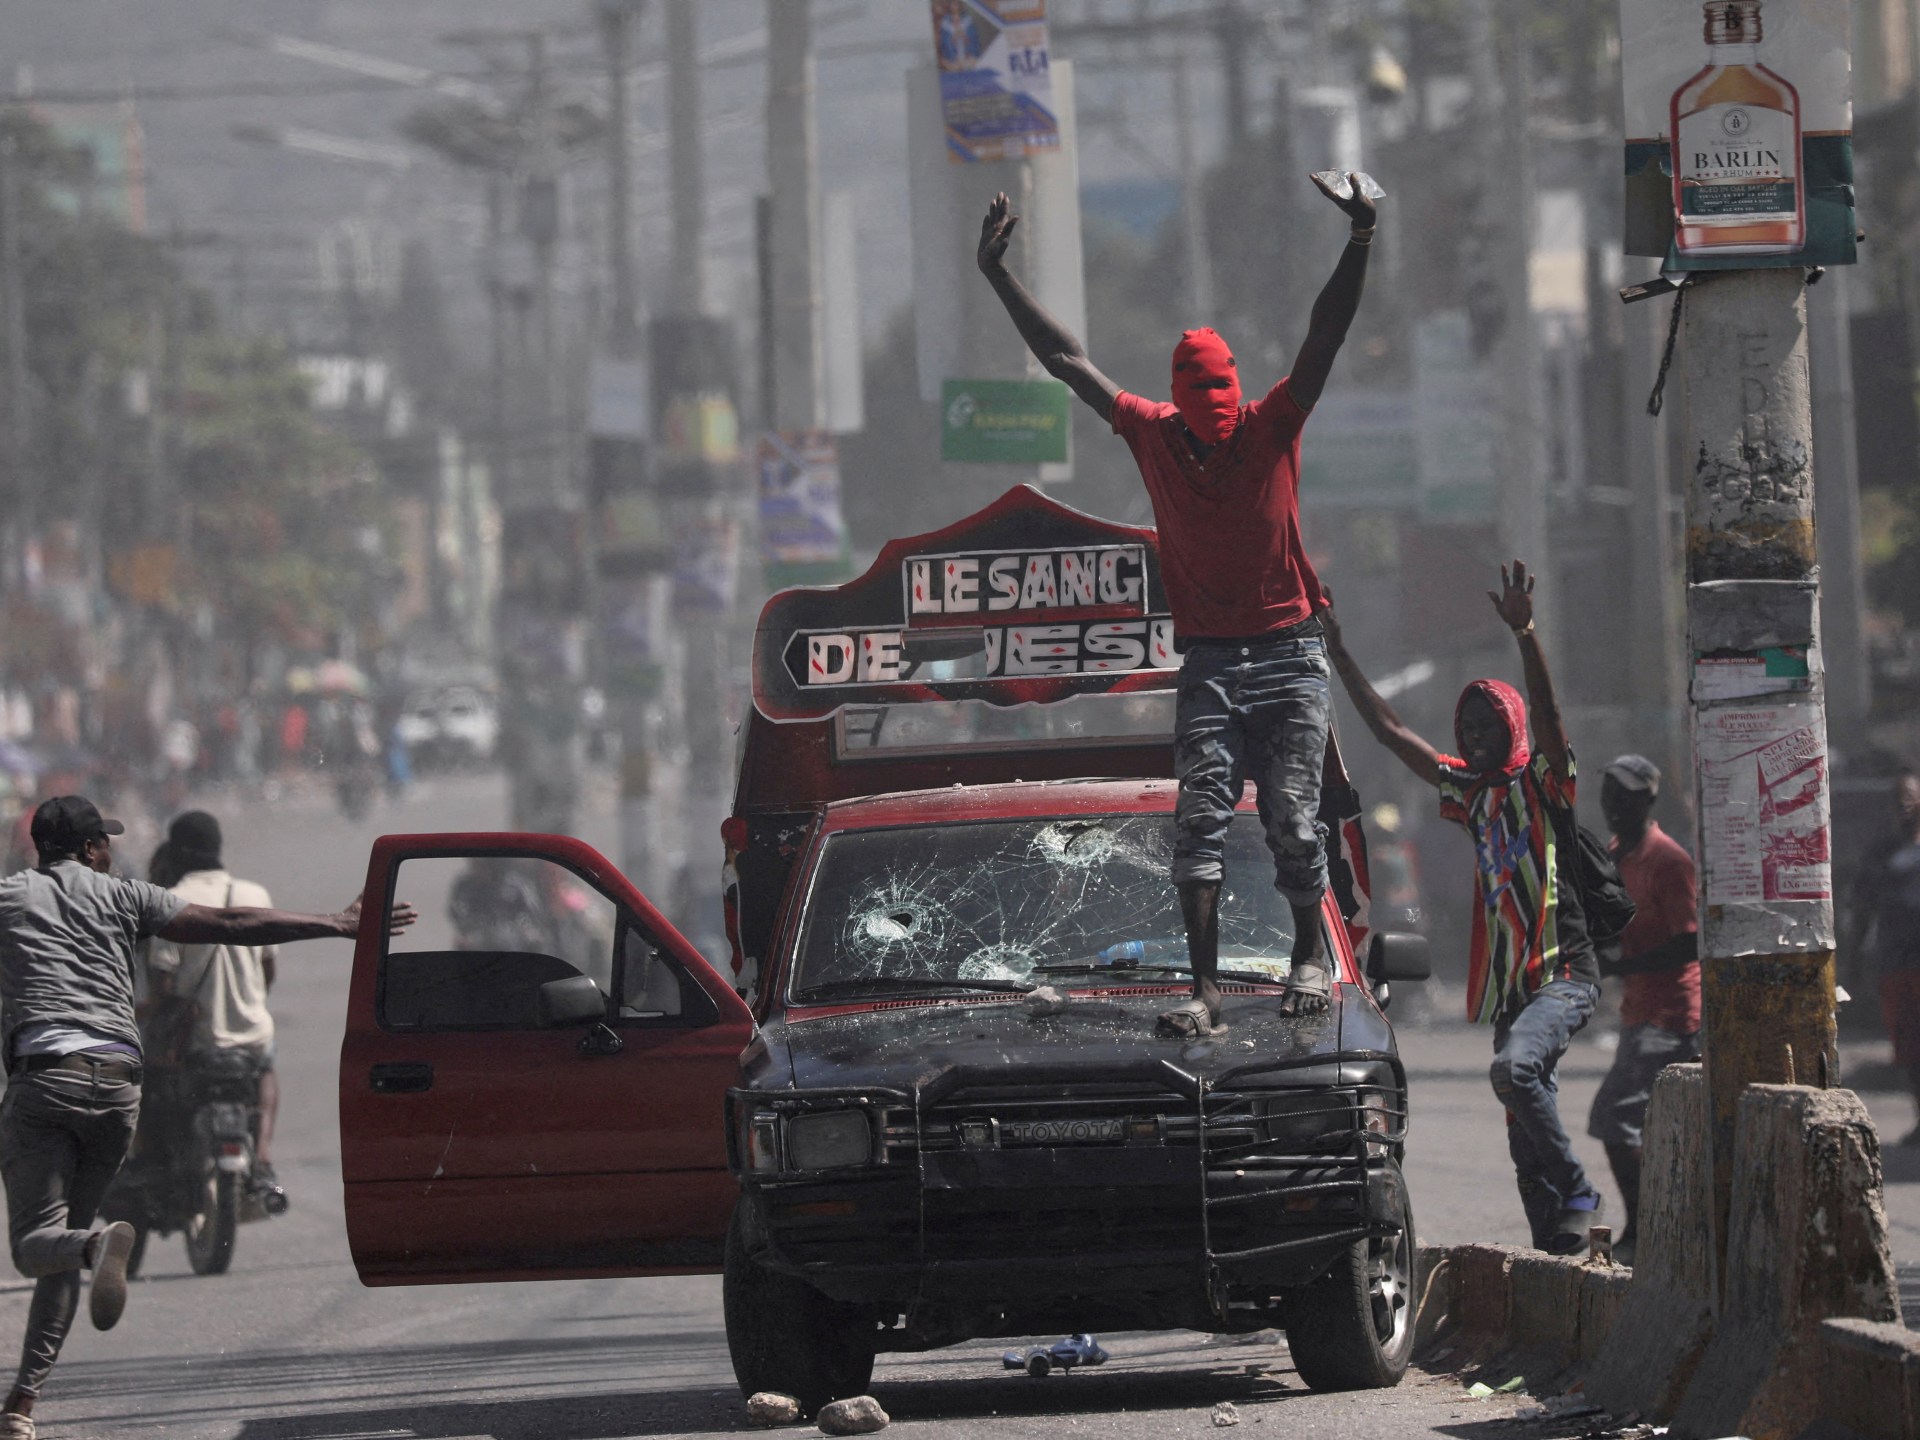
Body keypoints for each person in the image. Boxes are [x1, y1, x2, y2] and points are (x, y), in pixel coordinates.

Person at [976, 171, 1378, 1036]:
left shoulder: (1270, 426)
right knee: (1196, 821)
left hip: (1288, 652)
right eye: (1203, 415)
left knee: (1293, 821)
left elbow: (1324, 335)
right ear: (1181, 406)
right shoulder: (1153, 432)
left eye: (1223, 412)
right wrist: (998, 276)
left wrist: (1360, 240)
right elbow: (1065, 360)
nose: (1215, 428)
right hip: (1209, 660)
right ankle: (1204, 992)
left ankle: (1309, 951)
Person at [0, 795, 414, 1439]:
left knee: (37, 1246)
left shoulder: (11, 898)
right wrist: (335, 923)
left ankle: (90, 1252)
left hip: (45, 1082)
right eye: (104, 843)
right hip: (116, 1087)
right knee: (67, 1240)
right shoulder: (123, 897)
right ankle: (21, 1409)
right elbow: (233, 923)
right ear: (88, 849)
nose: (110, 853)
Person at [1322, 563, 1606, 1254]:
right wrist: (1337, 653)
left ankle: (1580, 1188)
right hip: (1514, 992)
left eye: (1487, 724)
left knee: (1513, 1073)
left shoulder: (1544, 783)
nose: (1475, 735)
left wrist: (1526, 634)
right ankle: (1560, 1250)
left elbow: (1550, 719)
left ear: (1510, 727)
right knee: (1520, 1133)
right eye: (1466, 725)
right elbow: (1391, 732)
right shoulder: (1468, 794)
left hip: (1562, 975)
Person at [1584, 755, 1699, 1266]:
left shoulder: (1670, 861)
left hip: (1670, 1015)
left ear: (1648, 800)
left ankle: (1649, 1228)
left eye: (1624, 795)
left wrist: (1623, 964)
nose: (1612, 804)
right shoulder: (1613, 855)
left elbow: (1689, 944)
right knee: (1628, 1123)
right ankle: (1659, 1226)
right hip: (1638, 1011)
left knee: (1617, 1120)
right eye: (1608, 793)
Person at [140, 812, 288, 1201]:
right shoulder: (255, 896)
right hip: (251, 1036)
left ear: (175, 851)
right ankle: (265, 1157)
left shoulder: (169, 901)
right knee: (267, 1067)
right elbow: (267, 970)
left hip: (197, 1042)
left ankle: (155, 1160)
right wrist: (250, 1002)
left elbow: (162, 984)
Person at [1847, 769, 1920, 1145]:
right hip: (1896, 964)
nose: (1904, 803)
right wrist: (1853, 964)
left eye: (1910, 795)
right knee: (1909, 1049)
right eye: (1898, 798)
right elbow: (1862, 909)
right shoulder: (1881, 852)